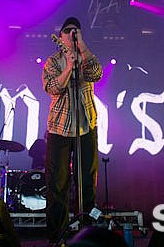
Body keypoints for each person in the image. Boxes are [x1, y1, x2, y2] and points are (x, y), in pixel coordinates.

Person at [42, 17, 103, 244]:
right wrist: (69, 66)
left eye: (75, 30)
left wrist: (82, 47)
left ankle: (87, 233)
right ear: (61, 36)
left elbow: (96, 73)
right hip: (59, 129)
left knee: (87, 182)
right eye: (68, 30)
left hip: (86, 127)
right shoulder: (53, 61)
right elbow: (52, 88)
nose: (72, 33)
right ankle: (56, 236)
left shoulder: (86, 57)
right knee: (57, 184)